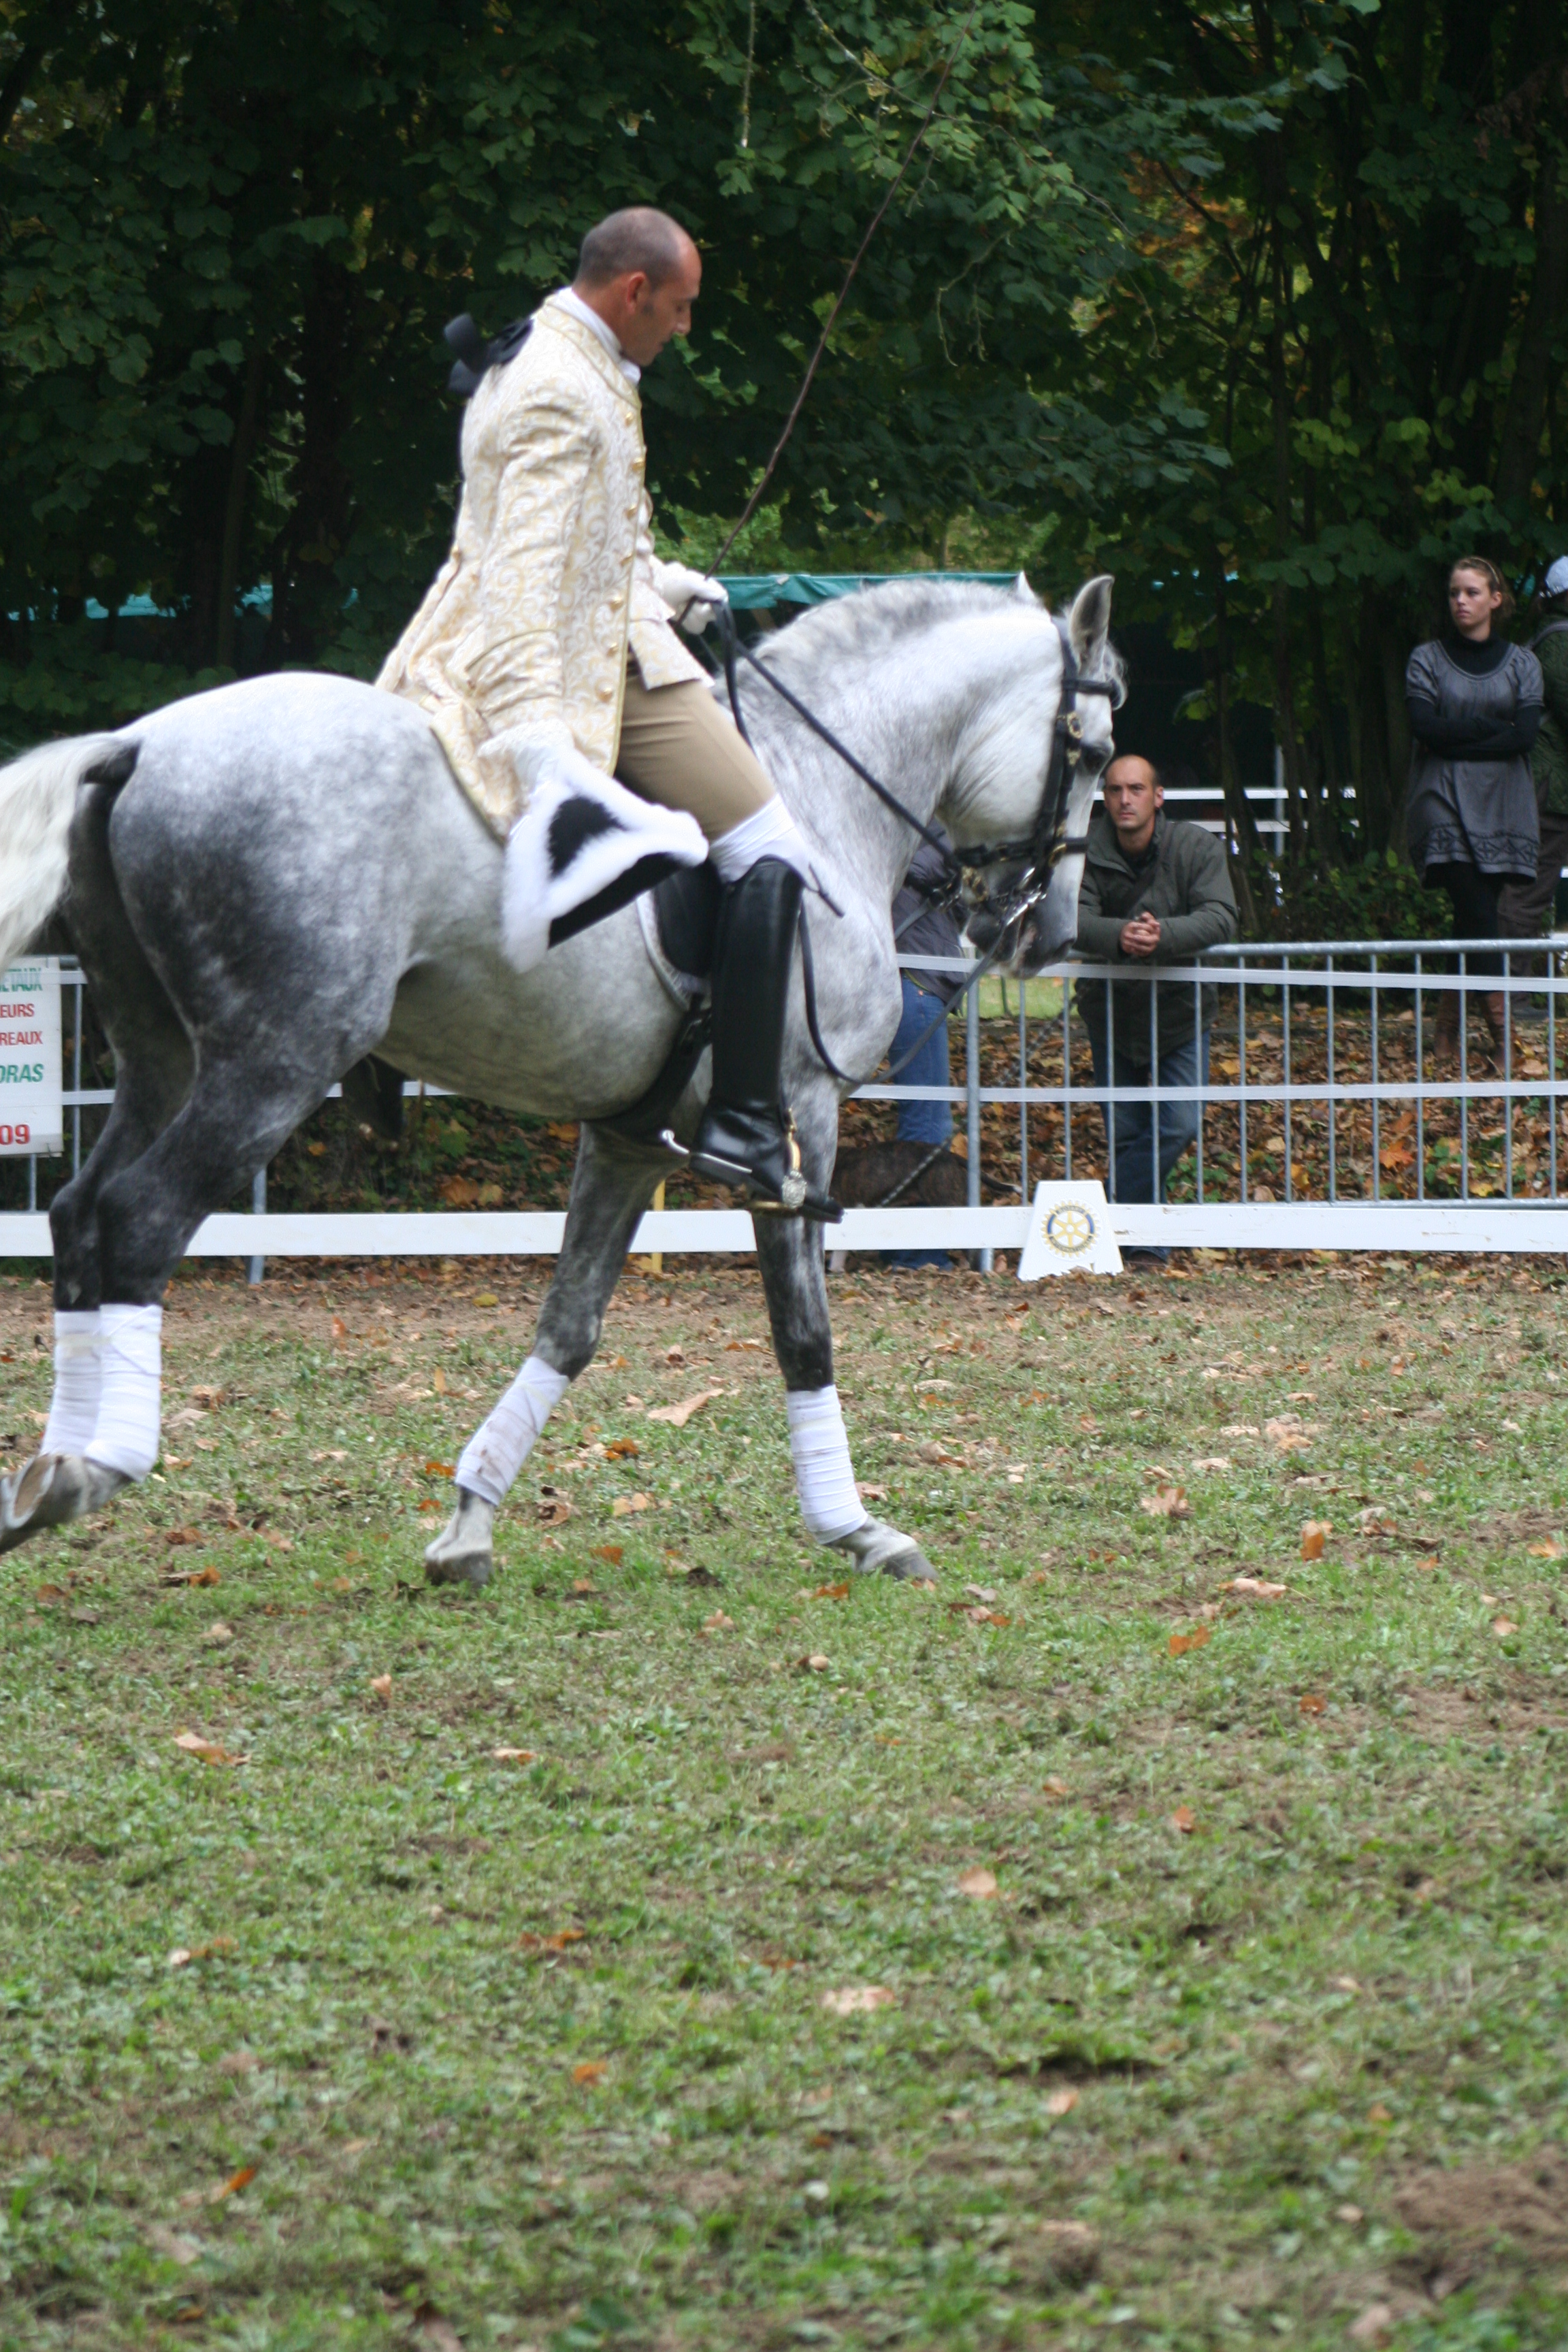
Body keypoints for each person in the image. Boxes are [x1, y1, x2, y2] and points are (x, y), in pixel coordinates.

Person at [377, 206, 823, 1214]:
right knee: (771, 846)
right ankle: (746, 1123)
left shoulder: (546, 354)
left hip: (605, 628)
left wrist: (661, 585)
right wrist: (539, 741)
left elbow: (578, 545)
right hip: (574, 667)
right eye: (681, 307)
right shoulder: (563, 387)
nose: (685, 327)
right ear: (635, 291)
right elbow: (521, 578)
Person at [1073, 755, 1238, 1264]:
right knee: (1125, 1132)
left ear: (1158, 796)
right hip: (1110, 1011)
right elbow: (1070, 916)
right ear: (1104, 798)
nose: (1125, 799)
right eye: (1115, 790)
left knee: (1179, 1124)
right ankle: (1144, 1247)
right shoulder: (1081, 850)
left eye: (1137, 789)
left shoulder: (1196, 847)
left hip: (1180, 1011)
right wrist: (1119, 935)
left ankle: (1102, 1210)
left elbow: (1221, 915)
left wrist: (1163, 936)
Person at [1405, 556, 1543, 1062]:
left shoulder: (1523, 663)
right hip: (1442, 796)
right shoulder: (1427, 658)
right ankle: (1504, 1035)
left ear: (1495, 600)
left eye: (1471, 592)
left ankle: (1446, 1032)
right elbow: (1425, 728)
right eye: (1453, 593)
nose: (1460, 601)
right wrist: (1491, 730)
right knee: (1478, 908)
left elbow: (1524, 737)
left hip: (1504, 803)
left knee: (1473, 916)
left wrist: (1456, 737)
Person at [885, 830, 962, 1269]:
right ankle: (918, 1253)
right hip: (916, 982)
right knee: (927, 1123)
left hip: (917, 978)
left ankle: (905, 1245)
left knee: (922, 1120)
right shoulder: (924, 822)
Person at [1497, 555, 1568, 943]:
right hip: (1550, 789)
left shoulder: (1545, 636)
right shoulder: (1561, 642)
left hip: (1539, 782)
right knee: (1528, 894)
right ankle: (1506, 981)